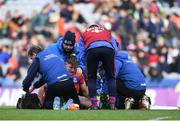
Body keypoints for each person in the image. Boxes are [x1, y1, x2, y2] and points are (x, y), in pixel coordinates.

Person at [79, 24, 118, 109]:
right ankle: (112, 105)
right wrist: (108, 61)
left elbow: (81, 52)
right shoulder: (106, 31)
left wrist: (85, 66)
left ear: (90, 28)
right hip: (108, 49)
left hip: (92, 50)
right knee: (111, 77)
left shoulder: (85, 33)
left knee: (92, 78)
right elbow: (115, 47)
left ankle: (94, 105)